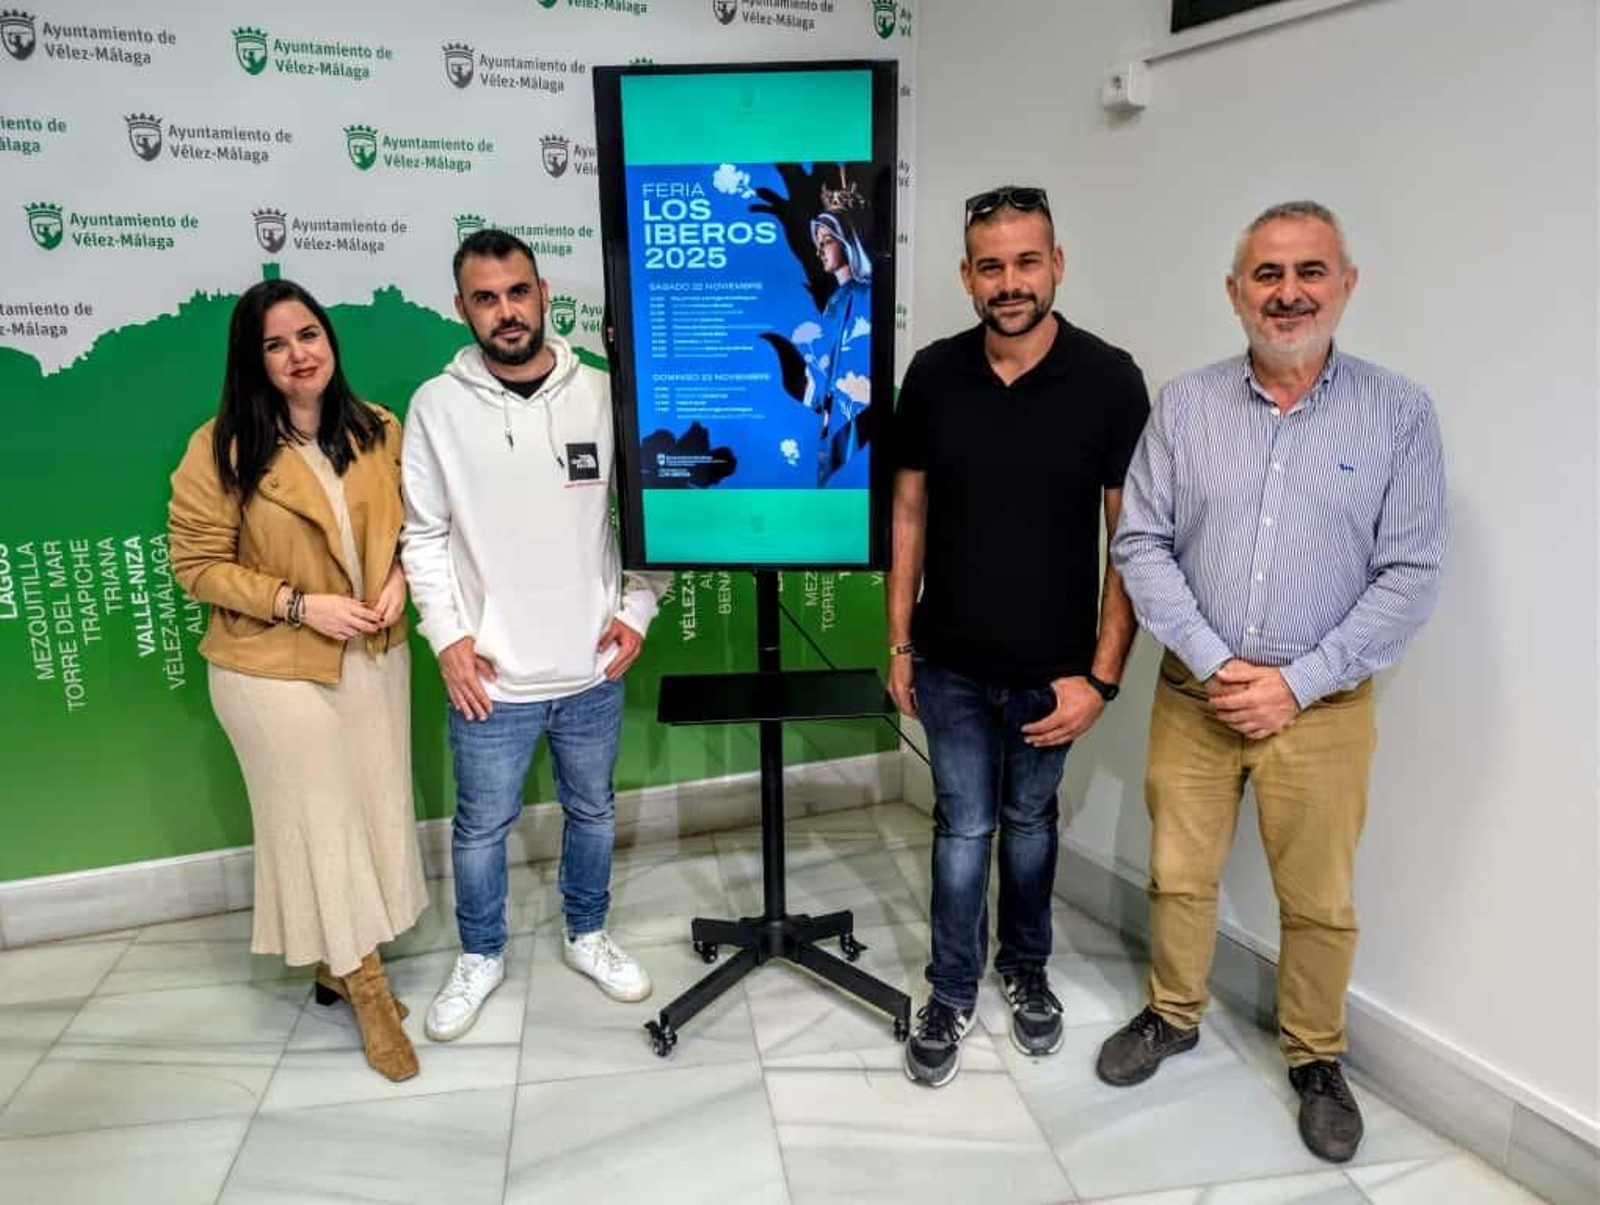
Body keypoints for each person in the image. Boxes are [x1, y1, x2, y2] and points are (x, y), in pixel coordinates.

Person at [1101, 200, 1448, 1163]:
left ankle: (1316, 1057)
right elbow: (1140, 540)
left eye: (1308, 273)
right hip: (1195, 696)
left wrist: (1296, 682)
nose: (1287, 293)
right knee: (1178, 874)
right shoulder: (1185, 405)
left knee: (1321, 898)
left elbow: (1412, 571)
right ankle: (1171, 1014)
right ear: (1234, 290)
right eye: (1266, 275)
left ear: (1344, 284)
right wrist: (1221, 665)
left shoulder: (1399, 413)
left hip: (1325, 709)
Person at [888, 186, 1149, 1087]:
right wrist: (898, 643)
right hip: (951, 662)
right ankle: (952, 990)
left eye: (1026, 262)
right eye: (990, 266)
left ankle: (1026, 973)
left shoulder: (1111, 379)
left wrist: (1102, 678)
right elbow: (909, 513)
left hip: (1055, 673)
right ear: (967, 274)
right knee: (963, 827)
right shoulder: (931, 373)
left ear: (1057, 264)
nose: (1010, 282)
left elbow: (1134, 542)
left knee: (1030, 822)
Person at [401, 229, 671, 1043]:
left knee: (592, 810)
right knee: (482, 828)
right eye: (486, 298)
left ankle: (587, 933)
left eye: (518, 292)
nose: (506, 311)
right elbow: (422, 535)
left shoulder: (602, 393)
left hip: (590, 665)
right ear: (463, 309)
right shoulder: (435, 407)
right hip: (490, 675)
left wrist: (639, 608)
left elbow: (656, 514)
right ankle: (480, 954)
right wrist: (447, 638)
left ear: (544, 292)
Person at [169, 278, 425, 1082]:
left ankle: (332, 960)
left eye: (307, 335)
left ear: (330, 339)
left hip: (374, 654)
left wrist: (402, 583)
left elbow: (418, 526)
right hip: (269, 666)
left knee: (374, 810)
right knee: (323, 822)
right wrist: (295, 602)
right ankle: (370, 989)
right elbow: (197, 565)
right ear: (254, 361)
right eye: (275, 345)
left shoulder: (379, 427)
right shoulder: (219, 449)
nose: (297, 355)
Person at [800, 207, 873, 486]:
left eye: (827, 240)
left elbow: (856, 356)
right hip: (831, 411)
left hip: (854, 411)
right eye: (818, 243)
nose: (820, 250)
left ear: (846, 241)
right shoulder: (835, 300)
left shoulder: (865, 294)